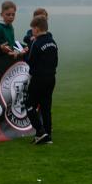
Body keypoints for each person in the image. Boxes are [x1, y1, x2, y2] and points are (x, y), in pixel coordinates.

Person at [24, 15, 59, 145]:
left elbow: (30, 61)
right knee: (46, 107)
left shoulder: (36, 43)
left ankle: (40, 131)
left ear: (37, 29)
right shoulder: (52, 42)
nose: (32, 31)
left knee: (29, 104)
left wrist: (24, 54)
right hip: (51, 78)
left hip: (38, 79)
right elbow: (55, 61)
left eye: (32, 28)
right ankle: (48, 135)